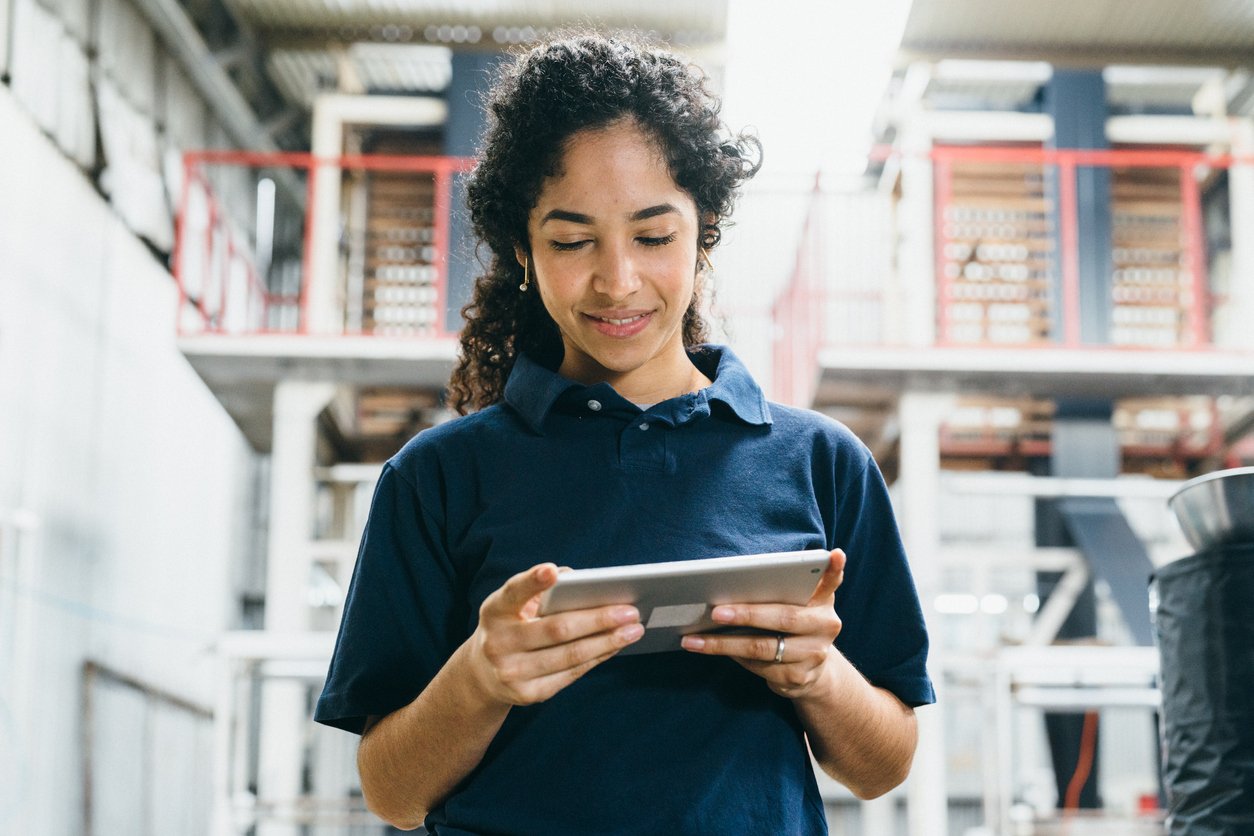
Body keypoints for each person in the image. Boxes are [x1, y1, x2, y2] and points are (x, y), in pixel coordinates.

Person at [314, 33, 935, 835]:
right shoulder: (437, 478)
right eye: (571, 241)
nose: (617, 280)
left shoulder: (821, 465)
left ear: (704, 231)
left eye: (653, 235)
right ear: (523, 251)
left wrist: (816, 671)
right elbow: (392, 793)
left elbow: (883, 765)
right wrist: (479, 677)